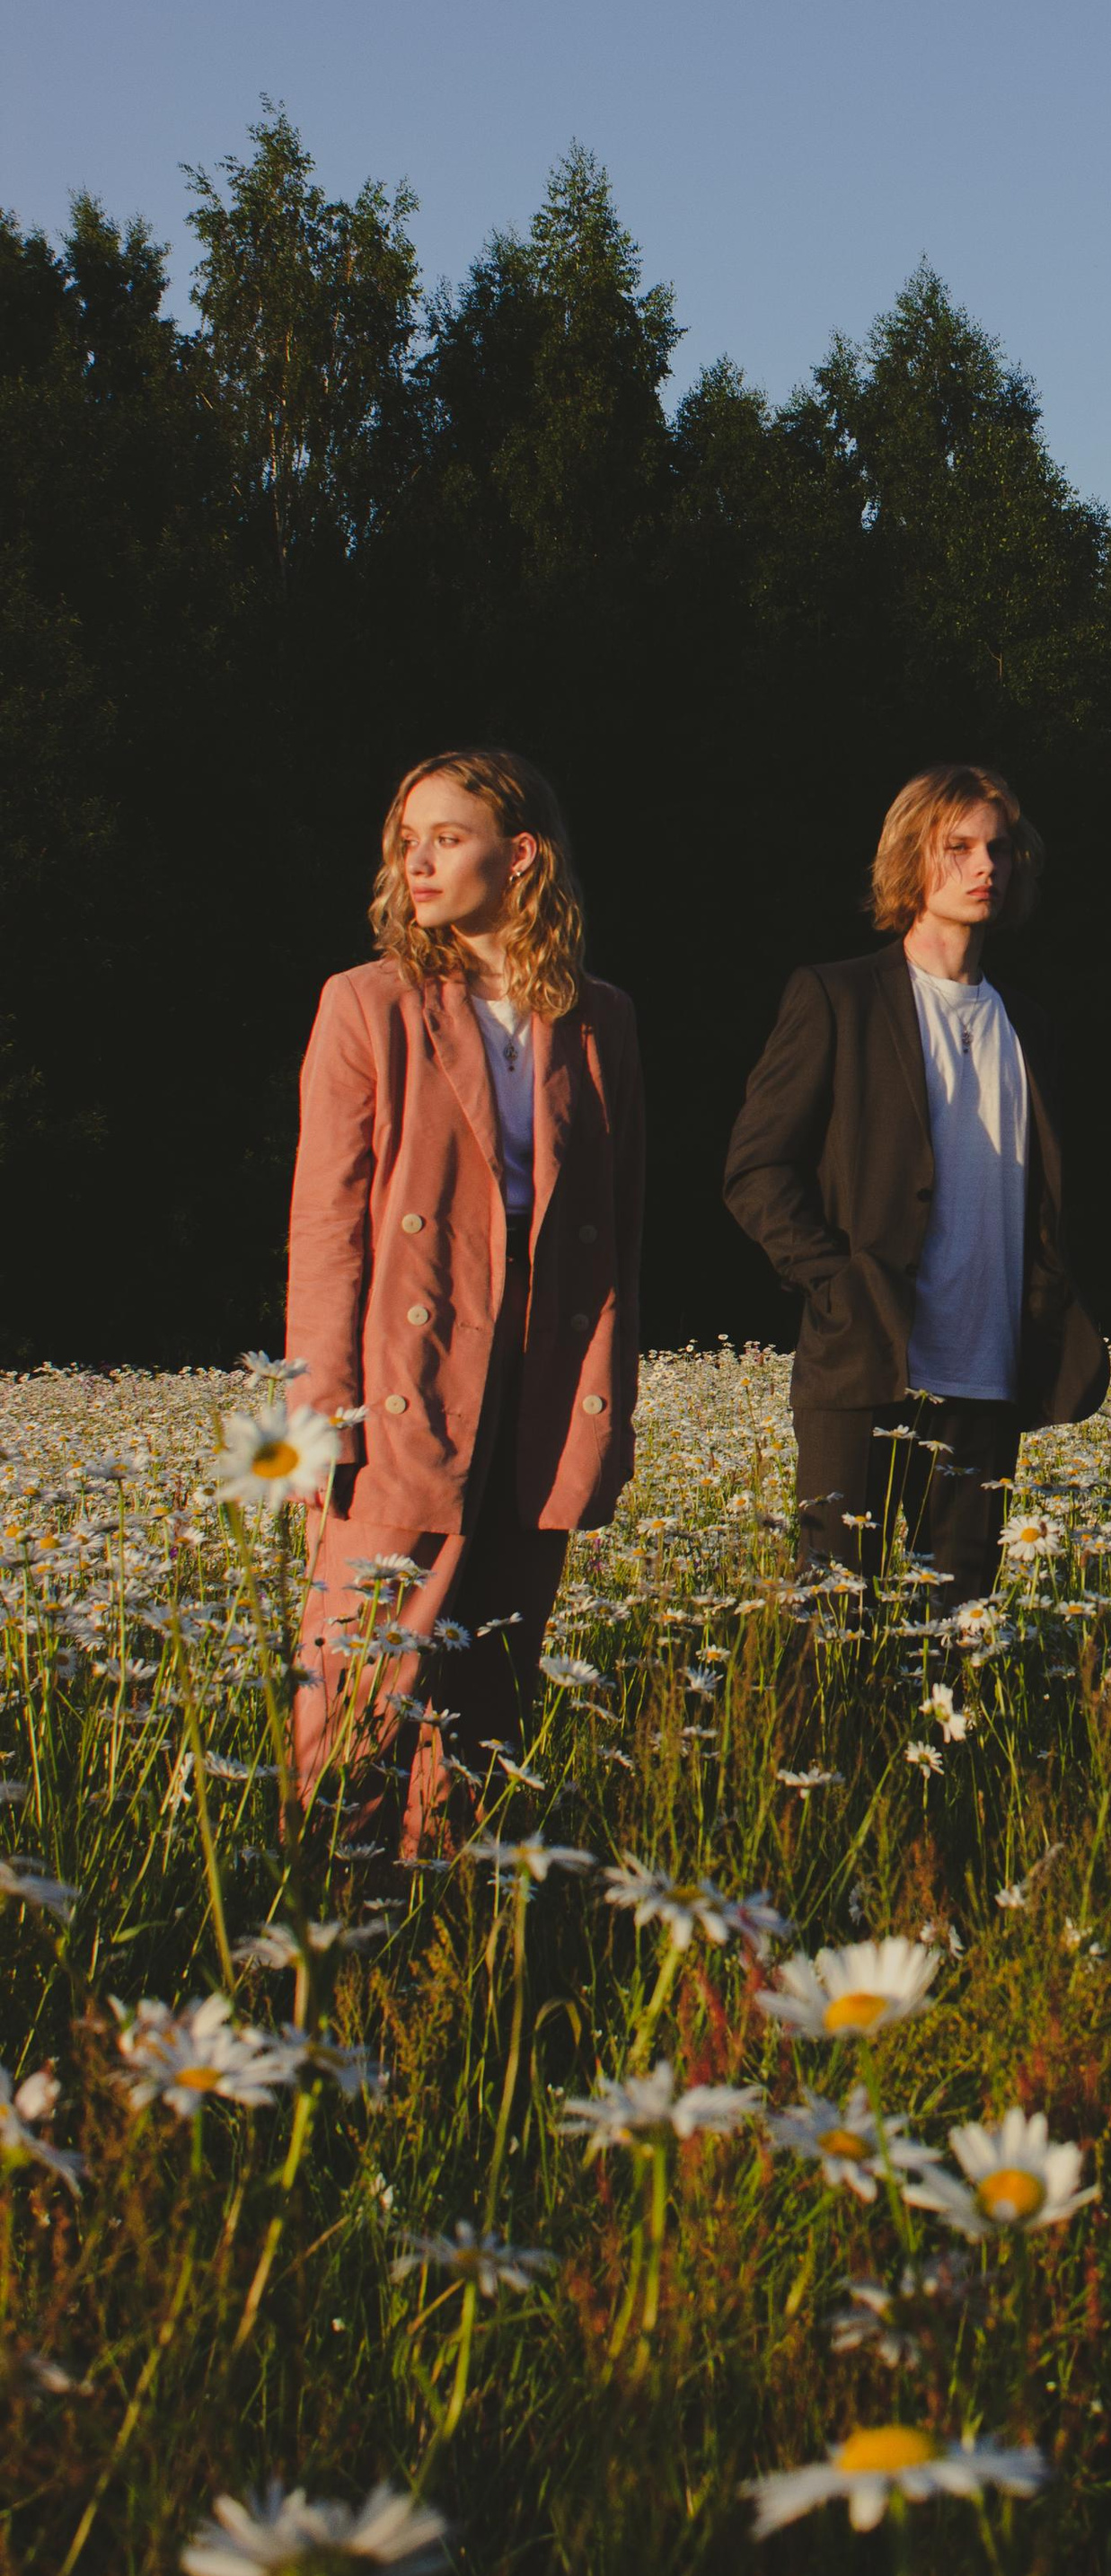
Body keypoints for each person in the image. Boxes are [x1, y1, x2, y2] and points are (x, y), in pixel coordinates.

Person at [287, 749, 644, 1857]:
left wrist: (607, 1415)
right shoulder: (368, 1003)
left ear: (520, 854)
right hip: (401, 1391)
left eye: (447, 836)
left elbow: (619, 1237)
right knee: (356, 1689)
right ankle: (326, 1923)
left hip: (540, 1380)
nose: (420, 859)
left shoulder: (601, 1019)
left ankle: (454, 1938)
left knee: (488, 1687)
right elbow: (328, 1225)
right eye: (410, 840)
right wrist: (319, 1412)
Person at [724, 763, 1108, 1611]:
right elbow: (756, 1169)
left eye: (1000, 850)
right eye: (959, 847)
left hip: (990, 1375)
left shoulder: (1030, 1026)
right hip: (867, 1359)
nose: (985, 868)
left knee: (959, 1631)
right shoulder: (838, 998)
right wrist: (832, 1280)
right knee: (830, 1624)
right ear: (911, 860)